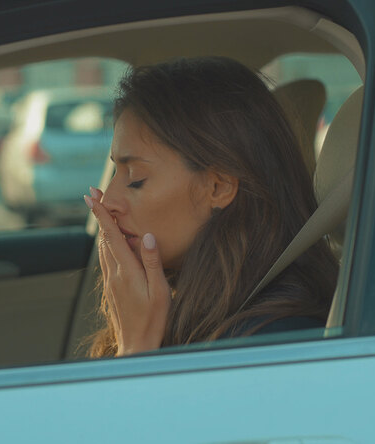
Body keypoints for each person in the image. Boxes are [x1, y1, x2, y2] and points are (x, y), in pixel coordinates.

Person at [83, 57, 338, 357]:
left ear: (218, 187)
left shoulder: (273, 340)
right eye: (115, 172)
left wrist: (136, 349)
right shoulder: (197, 308)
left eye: (136, 178)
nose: (108, 201)